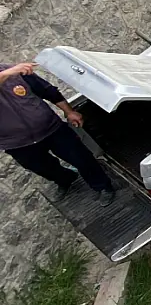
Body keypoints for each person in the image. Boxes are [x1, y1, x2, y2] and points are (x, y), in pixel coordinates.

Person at [0, 62, 116, 205]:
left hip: (51, 128)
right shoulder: (10, 72)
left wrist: (69, 111)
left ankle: (103, 186)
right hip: (17, 143)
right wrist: (6, 74)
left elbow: (48, 91)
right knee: (43, 168)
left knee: (81, 157)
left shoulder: (17, 73)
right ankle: (65, 178)